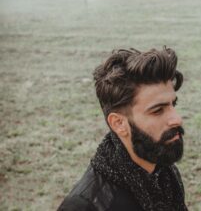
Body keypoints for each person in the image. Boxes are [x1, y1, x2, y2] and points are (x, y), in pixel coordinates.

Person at [57, 47, 188, 211]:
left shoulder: (164, 171)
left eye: (172, 104)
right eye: (157, 110)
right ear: (119, 124)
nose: (177, 119)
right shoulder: (87, 205)